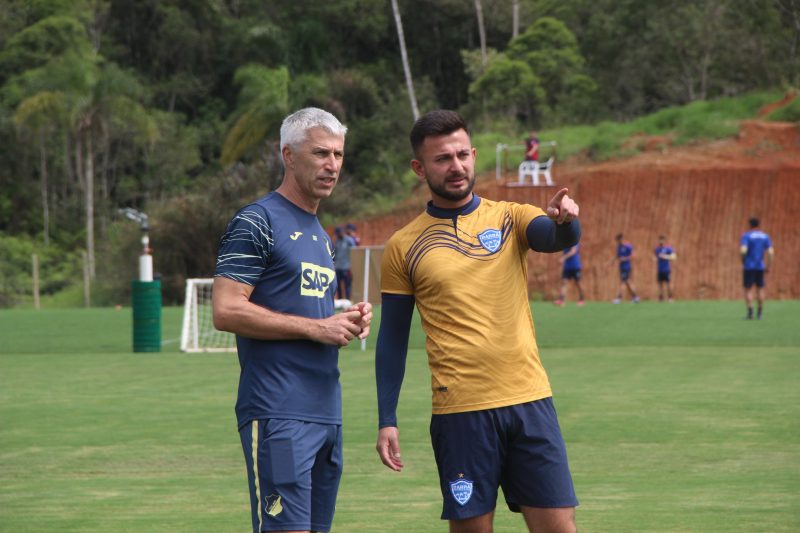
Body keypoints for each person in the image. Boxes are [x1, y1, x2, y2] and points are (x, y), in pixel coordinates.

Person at [375, 110, 580, 533]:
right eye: (442, 159)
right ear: (420, 168)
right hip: (461, 412)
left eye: (463, 154)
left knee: (560, 529)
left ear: (474, 155)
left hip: (529, 400)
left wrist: (566, 220)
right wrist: (387, 419)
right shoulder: (402, 246)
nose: (457, 166)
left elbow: (554, 238)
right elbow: (392, 339)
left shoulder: (511, 217)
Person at [212, 107, 372, 533]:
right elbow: (225, 310)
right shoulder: (256, 221)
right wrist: (318, 328)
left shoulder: (321, 234)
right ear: (288, 154)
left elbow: (307, 313)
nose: (332, 165)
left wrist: (346, 317)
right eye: (320, 153)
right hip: (278, 411)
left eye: (338, 154)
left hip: (327, 413)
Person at [740, 217, 774, 319]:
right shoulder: (765, 236)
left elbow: (743, 250)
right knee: (760, 289)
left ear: (750, 225)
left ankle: (750, 312)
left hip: (749, 266)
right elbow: (771, 252)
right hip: (760, 266)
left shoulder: (746, 236)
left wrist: (743, 261)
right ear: (758, 225)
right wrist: (769, 265)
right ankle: (760, 313)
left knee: (748, 289)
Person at [611, 233, 640, 303]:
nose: (618, 242)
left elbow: (632, 256)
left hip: (626, 267)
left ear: (622, 239)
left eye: (619, 240)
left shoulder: (628, 246)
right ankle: (635, 297)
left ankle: (618, 298)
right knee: (628, 282)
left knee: (623, 283)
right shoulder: (619, 247)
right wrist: (611, 261)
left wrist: (624, 259)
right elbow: (617, 256)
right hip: (621, 267)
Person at [333, 226, 356, 301]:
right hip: (338, 267)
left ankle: (348, 300)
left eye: (339, 233)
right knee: (338, 286)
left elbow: (354, 251)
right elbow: (334, 254)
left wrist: (352, 264)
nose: (338, 235)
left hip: (346, 267)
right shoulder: (337, 242)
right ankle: (340, 301)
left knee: (347, 285)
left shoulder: (349, 240)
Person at [654, 235, 676, 302]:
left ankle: (670, 298)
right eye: (660, 239)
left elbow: (674, 257)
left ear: (664, 240)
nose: (661, 241)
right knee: (660, 284)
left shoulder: (668, 248)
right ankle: (661, 298)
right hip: (660, 269)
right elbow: (655, 256)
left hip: (666, 269)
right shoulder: (657, 249)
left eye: (662, 240)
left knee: (668, 284)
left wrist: (665, 256)